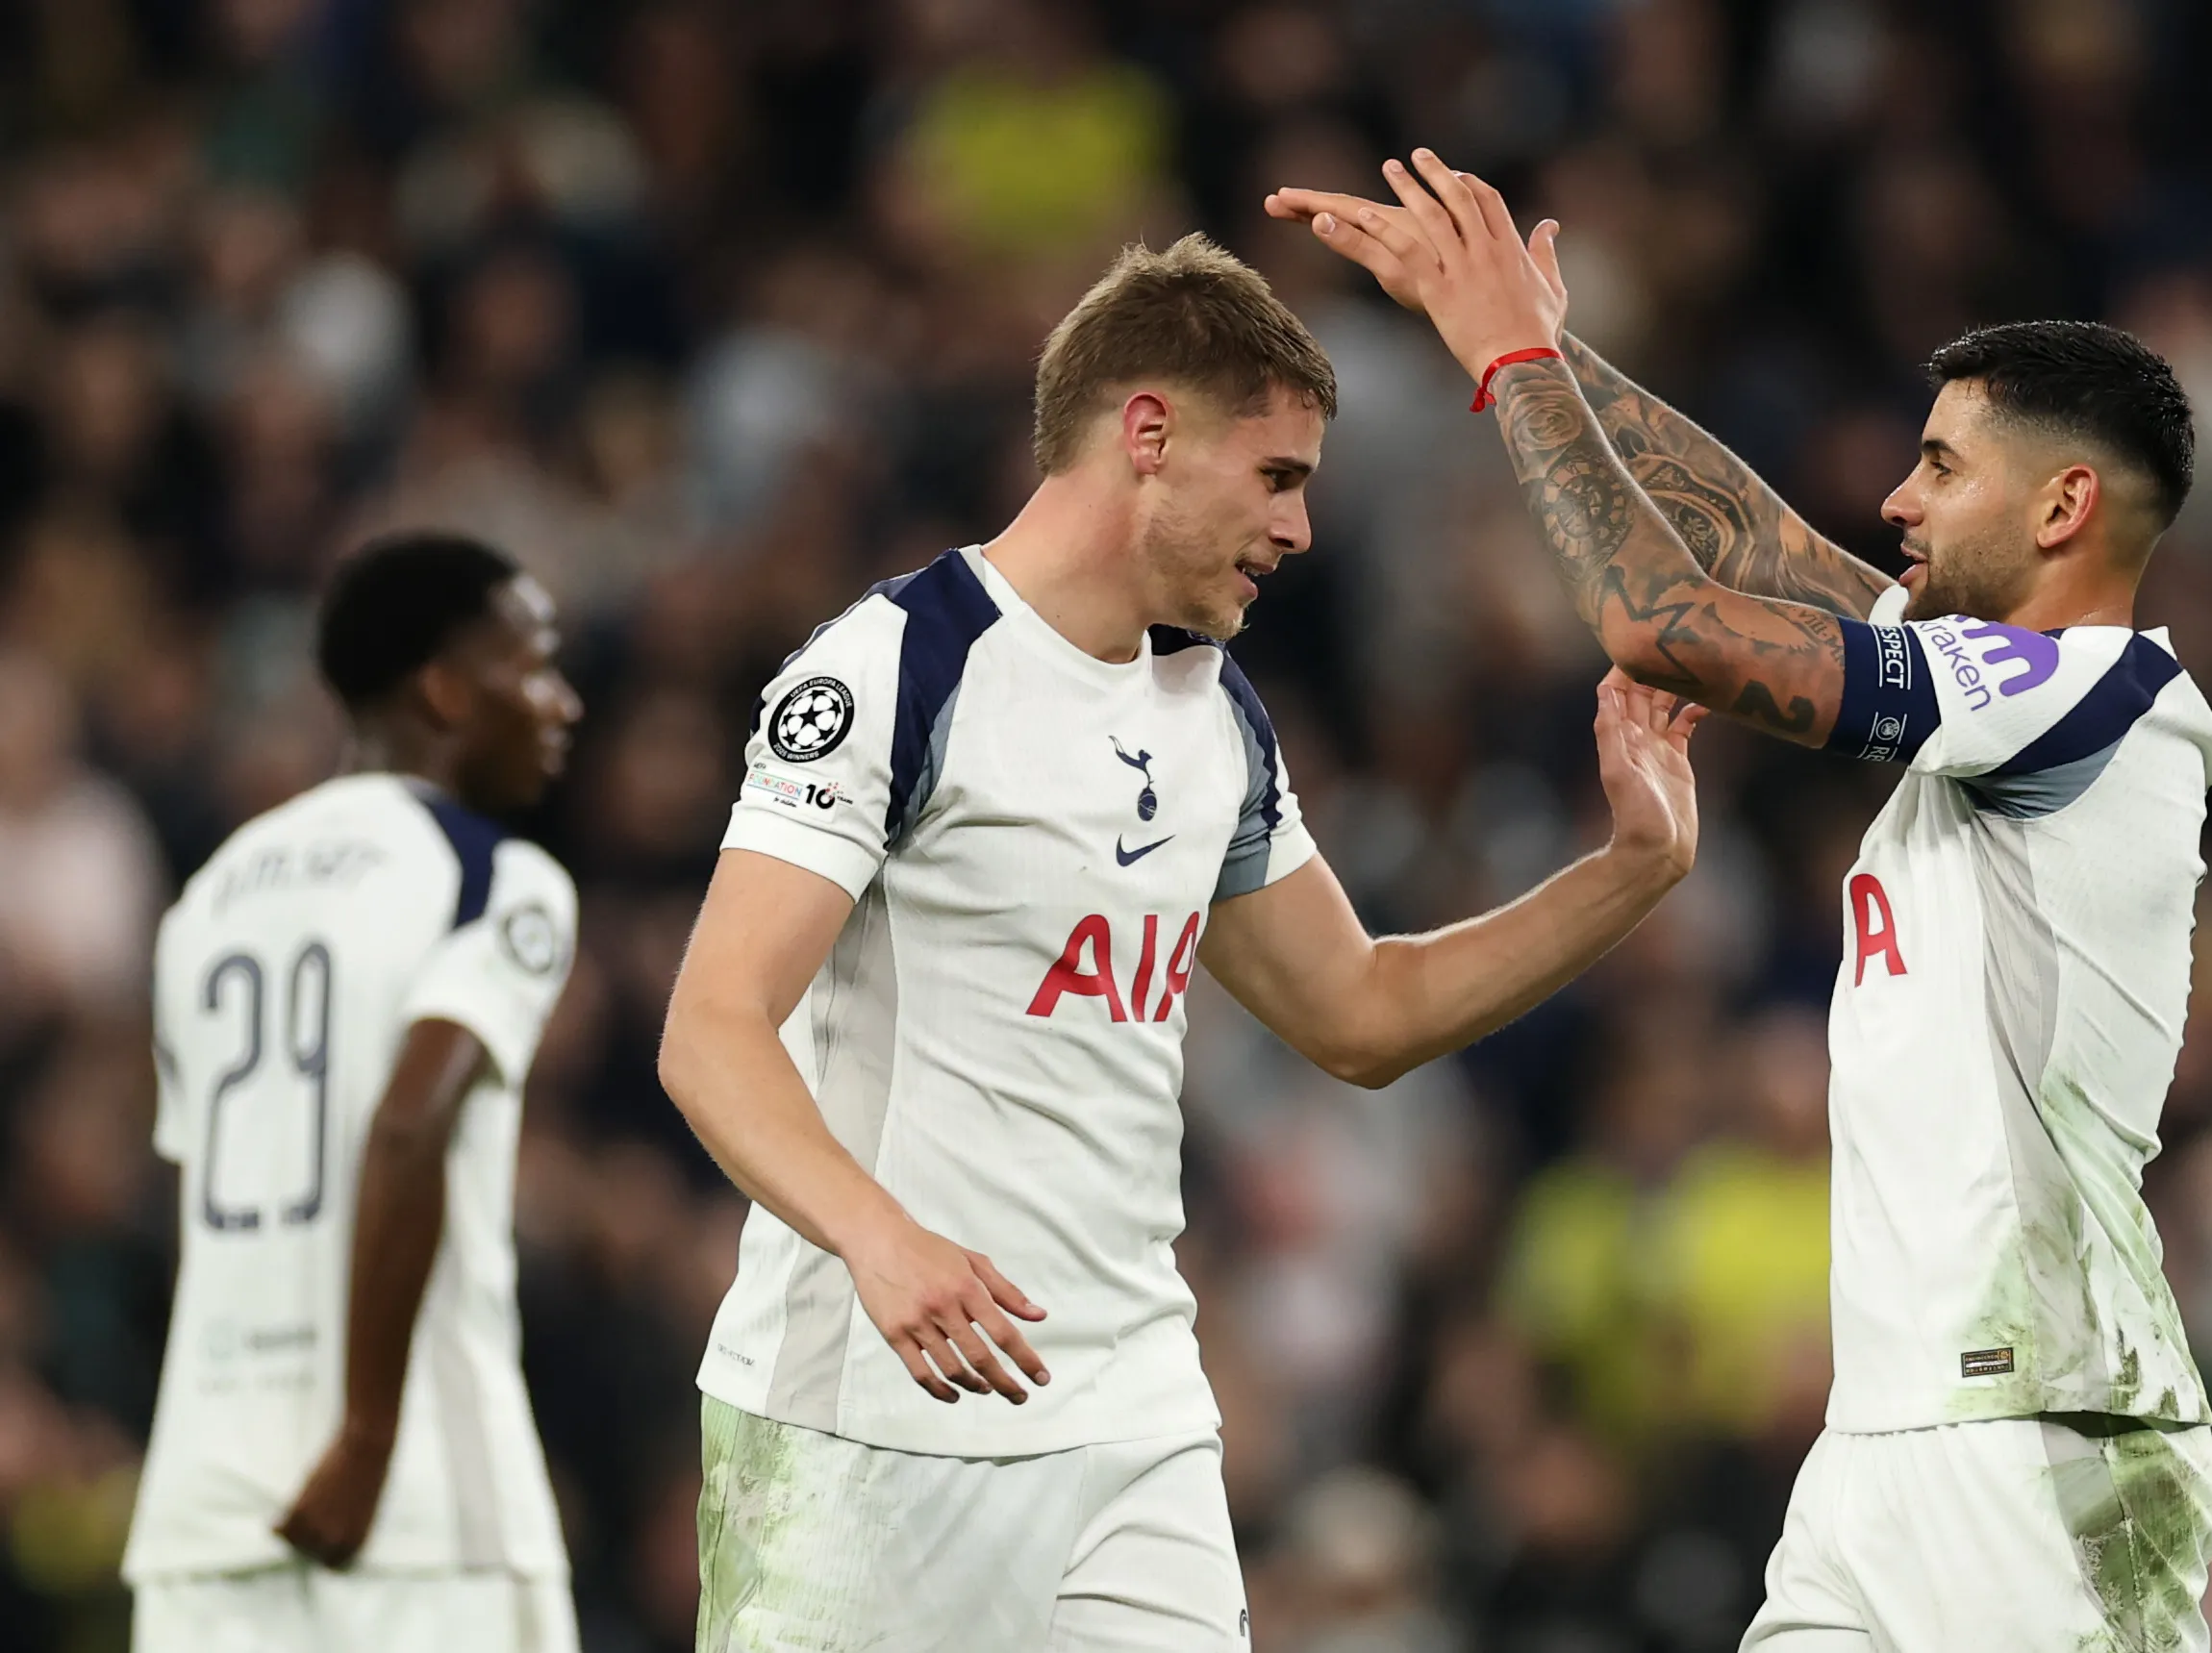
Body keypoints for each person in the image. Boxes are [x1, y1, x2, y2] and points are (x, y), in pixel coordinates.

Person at [657, 232, 1704, 1650]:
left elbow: (1362, 1010)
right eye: (1278, 477)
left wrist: (1632, 869)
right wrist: (879, 1238)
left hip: (1131, 1405)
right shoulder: (899, 663)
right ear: (1148, 433)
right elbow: (712, 1024)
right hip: (873, 1410)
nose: (1301, 530)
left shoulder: (1213, 715)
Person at [1272, 154, 2212, 1651]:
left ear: (2064, 504)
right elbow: (1753, 544)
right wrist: (1539, 333)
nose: (1894, 494)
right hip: (1886, 1436)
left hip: (2046, 1434)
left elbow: (1662, 615)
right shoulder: (1989, 702)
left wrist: (1509, 359)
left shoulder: (2101, 702)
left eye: (1940, 467)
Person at [123, 534, 585, 1653]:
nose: (561, 704)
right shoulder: (493, 878)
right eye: (531, 667)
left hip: (206, 1503)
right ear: (442, 688)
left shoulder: (209, 897)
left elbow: (194, 1202)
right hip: (417, 1507)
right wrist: (368, 1436)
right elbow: (409, 1119)